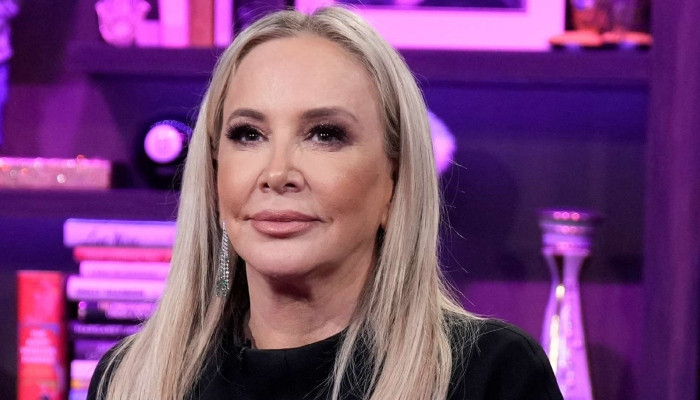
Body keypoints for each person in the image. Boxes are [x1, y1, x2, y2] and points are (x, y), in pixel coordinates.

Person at [87, 6, 563, 400]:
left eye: (324, 135)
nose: (277, 173)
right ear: (213, 175)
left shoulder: (492, 375)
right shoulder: (131, 379)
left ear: (394, 181)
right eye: (248, 134)